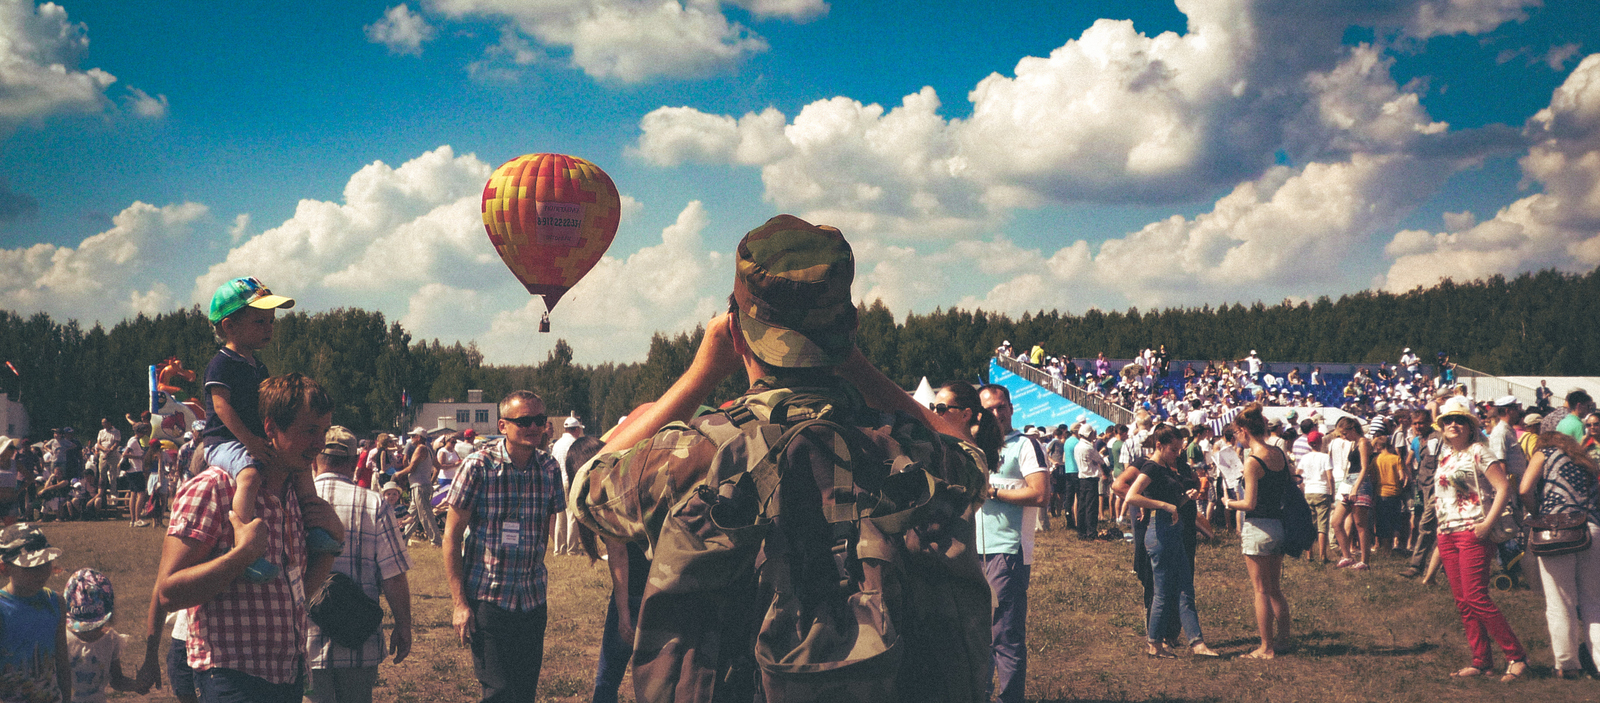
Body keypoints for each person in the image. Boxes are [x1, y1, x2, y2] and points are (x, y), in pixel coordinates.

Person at [571, 215, 990, 703]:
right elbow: (973, 459)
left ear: (736, 333)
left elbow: (586, 485)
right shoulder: (906, 448)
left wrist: (699, 374)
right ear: (850, 326)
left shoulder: (695, 454)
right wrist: (853, 362)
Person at [155, 373, 338, 703]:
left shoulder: (295, 497)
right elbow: (168, 593)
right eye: (310, 430)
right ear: (270, 429)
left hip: (287, 675)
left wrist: (330, 548)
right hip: (230, 678)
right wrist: (239, 558)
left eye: (323, 431)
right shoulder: (214, 489)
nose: (320, 443)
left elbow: (294, 595)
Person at [201, 277, 342, 580]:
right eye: (260, 321)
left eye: (271, 321)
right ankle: (242, 545)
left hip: (251, 438)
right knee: (250, 475)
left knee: (302, 468)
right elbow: (222, 407)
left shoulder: (257, 366)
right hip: (224, 440)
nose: (269, 328)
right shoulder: (221, 364)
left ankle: (313, 525)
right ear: (229, 326)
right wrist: (250, 440)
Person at [442, 391, 565, 703]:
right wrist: (460, 604)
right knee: (498, 693)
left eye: (539, 420)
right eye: (524, 421)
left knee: (524, 694)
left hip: (533, 599)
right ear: (503, 425)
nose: (534, 427)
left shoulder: (549, 468)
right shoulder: (478, 466)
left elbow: (547, 522)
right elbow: (452, 537)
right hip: (489, 599)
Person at [306, 426, 414, 703]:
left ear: (316, 456)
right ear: (355, 460)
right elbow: (393, 575)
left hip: (303, 640)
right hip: (357, 639)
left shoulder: (295, 500)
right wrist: (403, 626)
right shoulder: (373, 503)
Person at [1431, 397, 1527, 682]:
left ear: (1471, 426)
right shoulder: (1445, 456)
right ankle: (1481, 660)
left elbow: (1503, 488)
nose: (1453, 425)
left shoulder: (1479, 452)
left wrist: (1487, 524)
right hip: (1447, 532)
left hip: (1473, 530)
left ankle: (1517, 656)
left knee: (1476, 596)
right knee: (1463, 600)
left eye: (1460, 420)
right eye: (1448, 420)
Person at [978, 384, 1050, 701]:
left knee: (1005, 635)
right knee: (977, 635)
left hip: (1007, 552)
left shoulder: (1025, 445)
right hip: (971, 551)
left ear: (1010, 407)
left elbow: (1040, 493)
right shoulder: (975, 447)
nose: (996, 414)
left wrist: (992, 492)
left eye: (1000, 406)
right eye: (989, 409)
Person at [1124, 425, 1219, 659]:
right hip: (1160, 532)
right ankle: (1154, 644)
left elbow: (1170, 497)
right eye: (1174, 449)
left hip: (1175, 531)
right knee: (1163, 592)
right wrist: (1163, 505)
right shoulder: (1152, 467)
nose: (1178, 453)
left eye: (1179, 449)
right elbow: (1131, 495)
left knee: (1186, 588)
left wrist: (1185, 497)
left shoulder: (1167, 467)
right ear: (1159, 445)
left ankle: (1197, 643)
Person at [1517, 431, 1600, 679]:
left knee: (1559, 601)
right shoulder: (1586, 461)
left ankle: (1567, 665)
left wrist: (1537, 514)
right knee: (1593, 603)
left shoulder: (1544, 452)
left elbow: (1524, 489)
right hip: (1592, 529)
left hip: (1557, 530)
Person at [1225, 404, 1293, 659]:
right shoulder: (1278, 453)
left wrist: (1229, 503)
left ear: (1243, 430)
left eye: (1236, 433)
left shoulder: (1252, 460)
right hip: (1278, 525)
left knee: (1260, 590)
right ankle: (1284, 639)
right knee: (1275, 587)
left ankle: (1266, 647)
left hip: (1257, 526)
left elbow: (1249, 503)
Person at [0, 523, 71, 701]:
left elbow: (62, 661)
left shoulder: (56, 602)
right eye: (31, 566)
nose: (41, 572)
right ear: (4, 568)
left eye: (45, 563)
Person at [64, 568, 141, 703]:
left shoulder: (111, 640)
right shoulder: (61, 638)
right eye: (83, 627)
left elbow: (116, 679)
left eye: (95, 625)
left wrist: (137, 685)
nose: (89, 632)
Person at [1328, 416, 1375, 570]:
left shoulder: (1363, 442)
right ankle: (1347, 555)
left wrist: (1355, 487)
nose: (1343, 437)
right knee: (1336, 521)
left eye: (1344, 433)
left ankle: (1364, 560)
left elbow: (1364, 467)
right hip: (1348, 481)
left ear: (1352, 429)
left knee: (1360, 524)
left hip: (1359, 483)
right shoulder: (1354, 443)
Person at [395, 428, 440, 546]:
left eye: (413, 436)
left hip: (419, 486)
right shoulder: (429, 449)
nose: (411, 439)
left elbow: (412, 468)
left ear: (419, 437)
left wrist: (398, 474)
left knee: (426, 514)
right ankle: (402, 539)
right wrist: (431, 481)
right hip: (421, 485)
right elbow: (438, 467)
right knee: (411, 515)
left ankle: (436, 541)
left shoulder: (420, 449)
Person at [548, 417, 584, 556]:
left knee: (560, 516)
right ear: (575, 429)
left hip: (558, 481)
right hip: (571, 480)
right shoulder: (575, 443)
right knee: (572, 515)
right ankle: (572, 548)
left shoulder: (557, 444)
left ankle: (559, 548)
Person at [1297, 434, 1333, 563]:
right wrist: (1332, 492)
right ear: (1320, 443)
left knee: (1310, 525)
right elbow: (1330, 476)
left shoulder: (1305, 457)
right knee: (1322, 525)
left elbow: (1297, 474)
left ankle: (1309, 554)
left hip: (1309, 491)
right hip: (1322, 491)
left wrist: (1302, 486)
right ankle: (1322, 556)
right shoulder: (1325, 457)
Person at [1075, 423, 1105, 539]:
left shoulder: (1078, 446)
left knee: (1081, 507)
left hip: (1081, 478)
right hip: (1091, 479)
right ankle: (1091, 532)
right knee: (1091, 507)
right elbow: (1100, 460)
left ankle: (1081, 532)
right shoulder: (1089, 447)